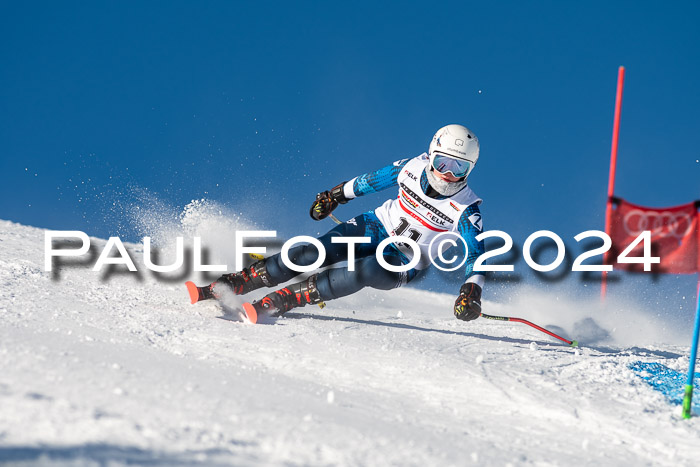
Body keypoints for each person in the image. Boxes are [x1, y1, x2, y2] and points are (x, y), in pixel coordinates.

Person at [188, 124, 486, 321]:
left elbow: (476, 254)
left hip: (404, 260)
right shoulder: (411, 167)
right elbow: (372, 181)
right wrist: (335, 196)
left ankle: (286, 298)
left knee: (367, 269)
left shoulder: (464, 208)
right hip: (375, 225)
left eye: (459, 167)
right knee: (313, 252)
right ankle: (237, 282)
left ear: (469, 169)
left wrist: (471, 290)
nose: (448, 173)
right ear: (431, 155)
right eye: (442, 162)